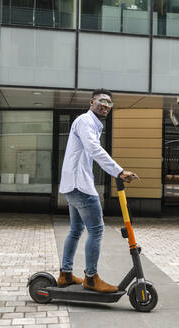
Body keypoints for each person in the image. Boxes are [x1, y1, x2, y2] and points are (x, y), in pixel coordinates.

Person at [57, 88, 139, 293]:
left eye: (110, 103)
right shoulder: (85, 122)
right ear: (91, 102)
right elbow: (94, 149)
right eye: (102, 101)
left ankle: (65, 274)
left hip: (73, 185)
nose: (106, 105)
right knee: (96, 230)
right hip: (80, 186)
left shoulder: (92, 124)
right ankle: (91, 278)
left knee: (76, 230)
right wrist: (119, 171)